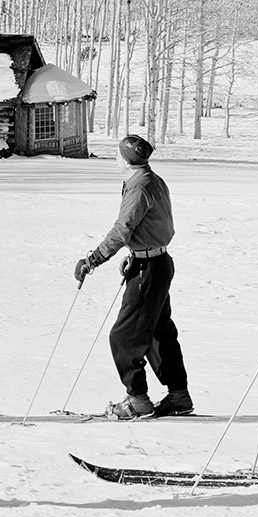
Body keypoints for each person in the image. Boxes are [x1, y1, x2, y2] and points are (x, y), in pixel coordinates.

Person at [74, 134, 193, 419]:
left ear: (127, 159)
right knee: (158, 331)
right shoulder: (153, 180)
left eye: (118, 154)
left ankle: (137, 400)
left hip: (149, 269)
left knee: (124, 337)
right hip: (157, 262)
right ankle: (178, 396)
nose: (116, 158)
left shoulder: (139, 186)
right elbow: (151, 225)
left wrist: (93, 260)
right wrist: (138, 254)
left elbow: (122, 229)